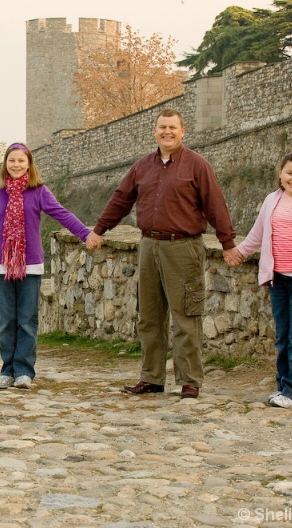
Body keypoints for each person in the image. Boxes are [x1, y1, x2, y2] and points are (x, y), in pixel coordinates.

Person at [85, 109, 238, 399]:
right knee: (149, 316)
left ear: (183, 131)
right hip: (148, 246)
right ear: (154, 131)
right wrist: (99, 230)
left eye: (172, 128)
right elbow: (121, 199)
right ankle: (152, 377)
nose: (167, 132)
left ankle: (190, 379)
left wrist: (227, 243)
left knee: (185, 316)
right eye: (162, 128)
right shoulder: (142, 167)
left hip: (183, 248)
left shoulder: (197, 166)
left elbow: (215, 205)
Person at [0, 142, 91, 390]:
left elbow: (62, 214)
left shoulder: (40, 191)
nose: (16, 165)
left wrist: (86, 234)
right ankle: (7, 371)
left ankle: (24, 371)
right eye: (12, 160)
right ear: (5, 164)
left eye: (21, 161)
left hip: (30, 265)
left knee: (26, 320)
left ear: (29, 164)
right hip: (2, 265)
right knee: (6, 321)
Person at [225, 153, 292, 408]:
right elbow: (257, 234)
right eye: (289, 173)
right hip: (278, 280)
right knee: (283, 336)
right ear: (280, 174)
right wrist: (239, 253)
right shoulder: (271, 201)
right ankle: (282, 387)